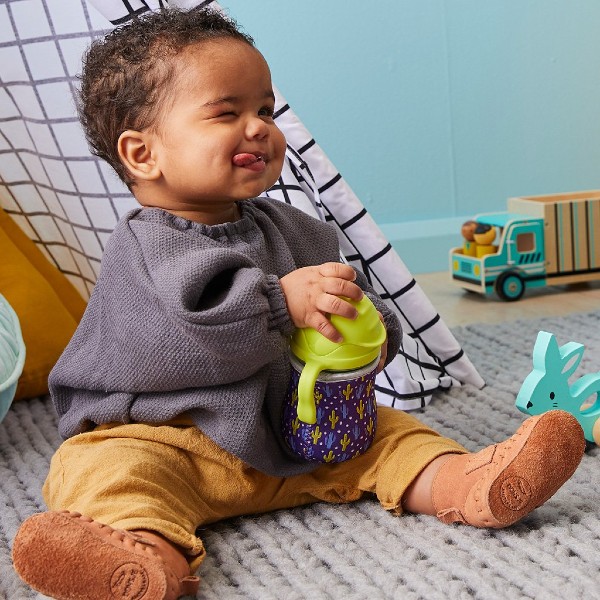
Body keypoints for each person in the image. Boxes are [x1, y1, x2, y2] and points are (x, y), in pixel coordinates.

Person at [12, 7, 585, 600]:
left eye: (264, 109)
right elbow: (185, 341)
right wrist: (283, 304)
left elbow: (346, 303)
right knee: (100, 475)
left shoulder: (293, 227)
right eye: (226, 112)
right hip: (164, 438)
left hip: (293, 429)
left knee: (389, 435)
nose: (259, 127)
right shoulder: (144, 250)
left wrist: (366, 331)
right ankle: (141, 563)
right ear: (142, 154)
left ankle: (470, 484)